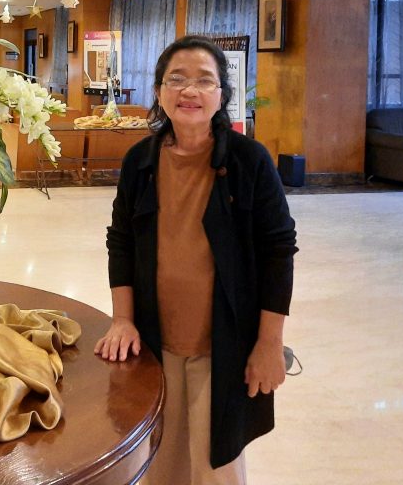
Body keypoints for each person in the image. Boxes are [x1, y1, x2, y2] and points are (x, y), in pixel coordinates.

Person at [94, 35, 297, 484]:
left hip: (224, 343)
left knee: (215, 465)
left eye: (205, 80)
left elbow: (278, 251)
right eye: (177, 79)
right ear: (159, 91)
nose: (190, 90)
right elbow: (121, 241)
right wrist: (122, 319)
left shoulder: (248, 161)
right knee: (161, 461)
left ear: (222, 95)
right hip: (155, 339)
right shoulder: (140, 161)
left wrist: (269, 343)